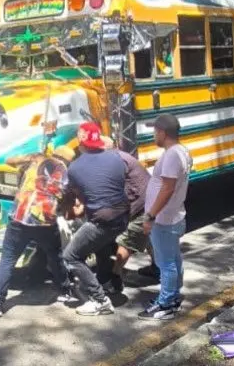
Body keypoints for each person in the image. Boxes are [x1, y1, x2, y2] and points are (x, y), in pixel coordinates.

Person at [0, 145, 77, 317]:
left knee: (7, 259)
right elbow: (67, 203)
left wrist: (29, 157)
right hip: (45, 222)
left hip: (19, 218)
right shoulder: (68, 173)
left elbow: (8, 160)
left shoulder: (37, 159)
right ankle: (65, 290)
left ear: (54, 154)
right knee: (55, 255)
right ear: (69, 160)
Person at [62, 122, 130, 316]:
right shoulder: (116, 159)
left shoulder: (74, 168)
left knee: (71, 256)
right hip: (123, 216)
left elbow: (80, 198)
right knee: (100, 247)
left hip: (102, 220)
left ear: (80, 143)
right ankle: (105, 281)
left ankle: (100, 300)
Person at [139, 113, 194, 321]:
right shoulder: (181, 151)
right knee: (173, 258)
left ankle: (166, 304)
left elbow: (168, 188)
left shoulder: (171, 155)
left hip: (164, 219)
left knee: (166, 263)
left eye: (155, 131)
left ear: (162, 132)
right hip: (173, 215)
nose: (154, 135)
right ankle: (174, 295)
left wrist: (150, 215)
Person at [110, 142, 153, 295]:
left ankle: (115, 276)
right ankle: (157, 268)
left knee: (127, 240)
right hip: (149, 201)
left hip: (142, 205)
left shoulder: (116, 161)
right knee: (149, 238)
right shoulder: (121, 156)